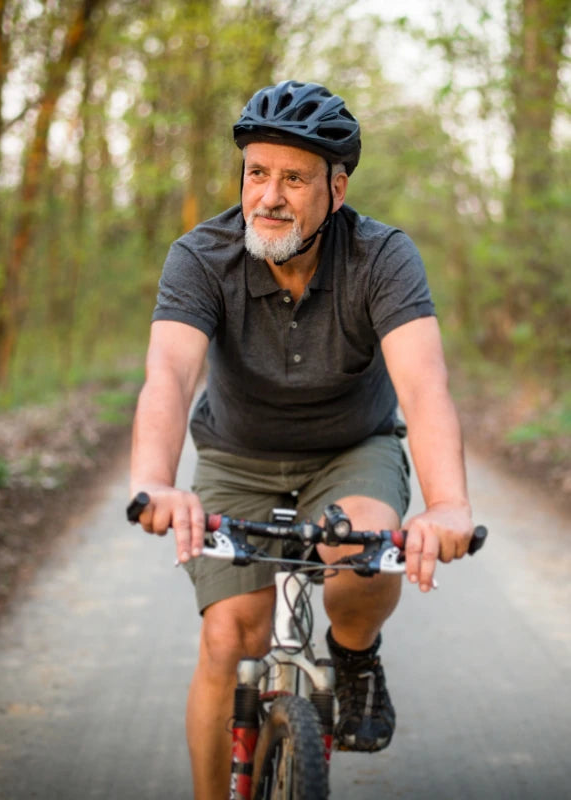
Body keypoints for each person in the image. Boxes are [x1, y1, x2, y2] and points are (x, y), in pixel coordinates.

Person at [130, 80, 474, 799]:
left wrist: (445, 503)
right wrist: (157, 480)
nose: (270, 196)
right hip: (236, 455)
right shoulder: (202, 256)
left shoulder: (382, 257)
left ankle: (355, 657)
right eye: (258, 172)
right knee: (231, 636)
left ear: (336, 189)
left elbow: (424, 385)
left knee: (358, 559)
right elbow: (168, 372)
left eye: (294, 177)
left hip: (352, 449)